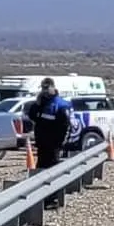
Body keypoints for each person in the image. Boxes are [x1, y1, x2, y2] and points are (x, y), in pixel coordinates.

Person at [22, 78, 73, 208]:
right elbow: (33, 116)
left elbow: (66, 126)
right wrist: (38, 103)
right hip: (42, 144)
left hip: (54, 145)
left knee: (53, 171)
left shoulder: (60, 105)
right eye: (43, 88)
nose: (45, 91)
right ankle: (42, 198)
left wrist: (61, 144)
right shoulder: (42, 103)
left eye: (47, 88)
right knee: (40, 171)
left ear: (52, 88)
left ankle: (53, 198)